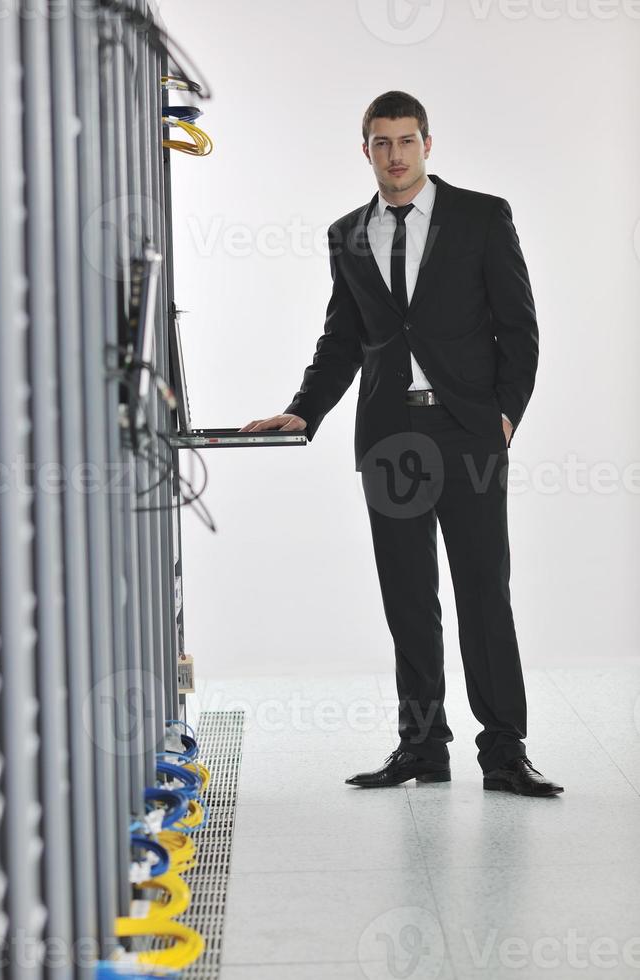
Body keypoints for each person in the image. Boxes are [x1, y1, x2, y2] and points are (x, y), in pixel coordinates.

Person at [239, 90, 563, 797]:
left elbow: (520, 327)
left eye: (406, 141)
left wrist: (504, 417)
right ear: (366, 151)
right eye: (381, 143)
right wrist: (303, 410)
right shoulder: (347, 234)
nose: (395, 155)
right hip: (389, 436)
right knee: (408, 599)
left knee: (484, 591)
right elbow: (343, 339)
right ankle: (422, 748)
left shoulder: (482, 216)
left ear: (427, 144)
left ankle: (504, 752)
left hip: (468, 432)